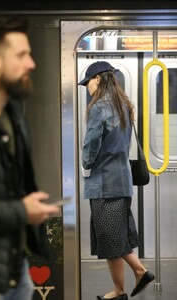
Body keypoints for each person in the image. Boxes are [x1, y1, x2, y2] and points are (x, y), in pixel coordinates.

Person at [0, 13, 60, 300]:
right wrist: (21, 211)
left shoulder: (14, 119)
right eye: (22, 54)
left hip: (14, 272)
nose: (31, 64)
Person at [78, 61, 155, 300]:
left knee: (111, 239)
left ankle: (139, 271)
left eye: (88, 82)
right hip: (122, 182)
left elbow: (91, 146)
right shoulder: (123, 105)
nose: (87, 87)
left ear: (98, 79)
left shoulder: (99, 108)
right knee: (116, 237)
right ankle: (120, 290)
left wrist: (85, 163)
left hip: (104, 185)